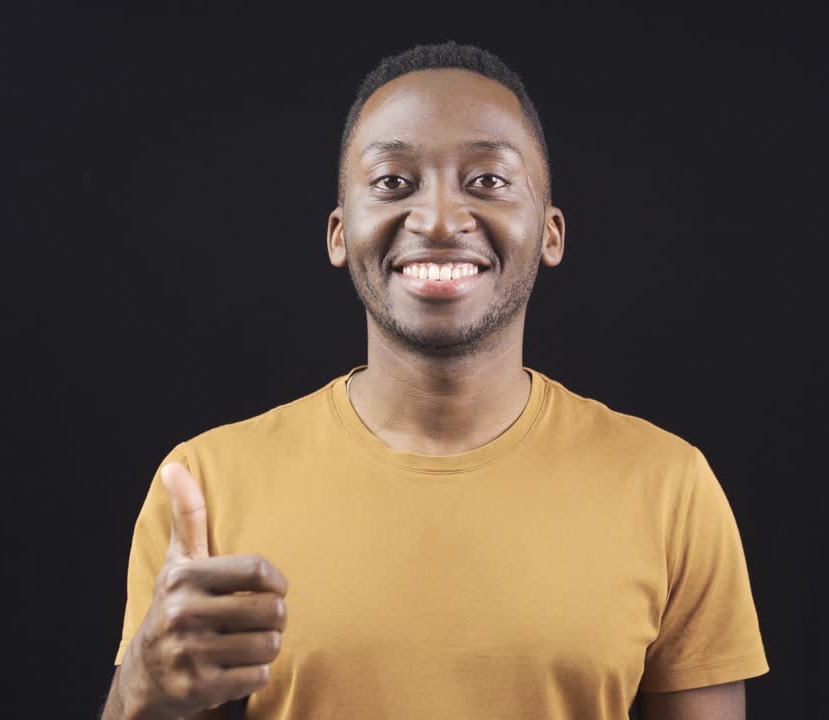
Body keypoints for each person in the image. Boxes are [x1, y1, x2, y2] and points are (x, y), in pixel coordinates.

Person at [99, 41, 768, 720]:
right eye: (393, 182)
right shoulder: (206, 485)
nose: (441, 220)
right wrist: (141, 696)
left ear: (551, 233)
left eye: (487, 181)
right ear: (339, 233)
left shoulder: (670, 488)